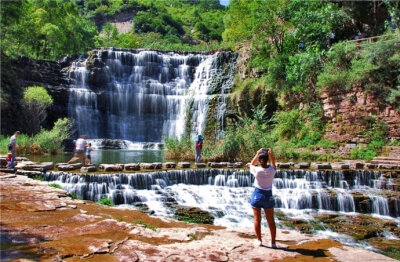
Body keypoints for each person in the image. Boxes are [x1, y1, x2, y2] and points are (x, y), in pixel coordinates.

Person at [249, 148, 277, 248]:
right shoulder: (271, 171)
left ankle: (259, 241)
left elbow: (251, 164)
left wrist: (257, 154)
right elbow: (274, 166)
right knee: (271, 221)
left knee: (257, 220)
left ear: (260, 160)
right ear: (267, 159)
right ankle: (273, 243)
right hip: (268, 196)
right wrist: (271, 156)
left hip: (257, 195)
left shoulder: (256, 170)